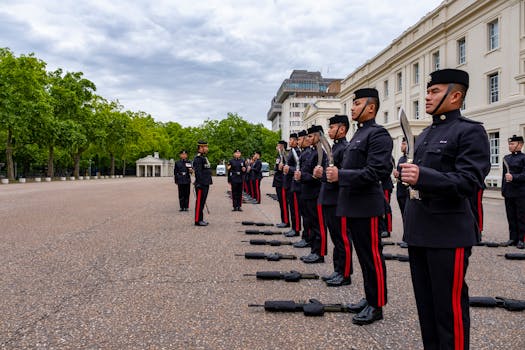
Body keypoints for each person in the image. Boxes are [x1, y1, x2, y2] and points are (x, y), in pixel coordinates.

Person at [400, 68, 490, 349]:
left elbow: (470, 181)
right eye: (428, 91)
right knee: (427, 310)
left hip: (448, 233)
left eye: (434, 91)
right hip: (420, 230)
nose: (427, 96)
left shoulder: (470, 131)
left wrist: (422, 176)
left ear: (456, 96)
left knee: (448, 311)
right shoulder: (426, 133)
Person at [326, 87, 392, 325]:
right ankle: (369, 297)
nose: (352, 108)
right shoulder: (359, 135)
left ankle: (377, 305)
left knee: (372, 256)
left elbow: (376, 171)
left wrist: (340, 175)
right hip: (353, 204)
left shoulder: (378, 134)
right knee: (364, 256)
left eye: (357, 104)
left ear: (371, 107)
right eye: (352, 104)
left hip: (367, 205)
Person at [313, 115, 351, 286]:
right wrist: (320, 175)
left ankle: (345, 273)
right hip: (329, 197)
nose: (329, 131)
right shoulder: (334, 148)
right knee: (336, 237)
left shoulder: (345, 148)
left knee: (342, 238)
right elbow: (329, 176)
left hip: (339, 199)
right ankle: (338, 269)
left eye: (332, 127)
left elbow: (345, 174)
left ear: (342, 129)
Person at [295, 125, 327, 264]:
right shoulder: (311, 153)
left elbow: (317, 177)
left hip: (315, 193)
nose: (308, 139)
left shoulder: (321, 153)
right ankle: (314, 250)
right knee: (311, 223)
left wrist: (302, 176)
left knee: (318, 225)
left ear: (318, 136)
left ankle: (319, 253)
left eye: (310, 136)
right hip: (306, 192)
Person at [502, 134, 525, 249]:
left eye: (512, 144)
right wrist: (503, 190)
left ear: (520, 145)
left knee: (521, 216)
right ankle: (513, 238)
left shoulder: (524, 158)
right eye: (509, 144)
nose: (510, 146)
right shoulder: (506, 158)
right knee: (510, 216)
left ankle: (522, 239)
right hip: (509, 192)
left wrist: (514, 177)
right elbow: (503, 176)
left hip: (521, 192)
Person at [283, 131, 305, 238]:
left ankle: (296, 229)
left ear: (296, 141)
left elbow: (298, 167)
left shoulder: (297, 152)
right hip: (290, 182)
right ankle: (293, 227)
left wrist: (289, 169)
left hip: (295, 183)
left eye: (291, 140)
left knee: (295, 208)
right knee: (292, 207)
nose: (289, 141)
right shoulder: (292, 151)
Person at [393, 138, 409, 248]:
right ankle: (406, 237)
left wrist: (400, 175)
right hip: (400, 189)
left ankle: (408, 239)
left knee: (408, 216)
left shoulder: (409, 159)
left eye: (404, 143)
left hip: (407, 190)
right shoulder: (401, 158)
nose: (401, 146)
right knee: (403, 214)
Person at [193, 140, 213, 226]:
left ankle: (200, 218)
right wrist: (199, 183)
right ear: (201, 147)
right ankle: (197, 220)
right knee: (200, 202)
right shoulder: (198, 159)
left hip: (205, 182)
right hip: (201, 184)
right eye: (205, 147)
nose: (207, 148)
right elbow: (198, 172)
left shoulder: (203, 158)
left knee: (202, 201)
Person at [274, 141, 290, 227]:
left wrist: (282, 167)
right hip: (278, 181)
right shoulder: (279, 156)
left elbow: (285, 168)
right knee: (281, 202)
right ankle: (283, 220)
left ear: (282, 146)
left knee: (284, 202)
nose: (277, 147)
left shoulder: (285, 156)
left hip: (282, 182)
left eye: (278, 145)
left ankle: (286, 221)